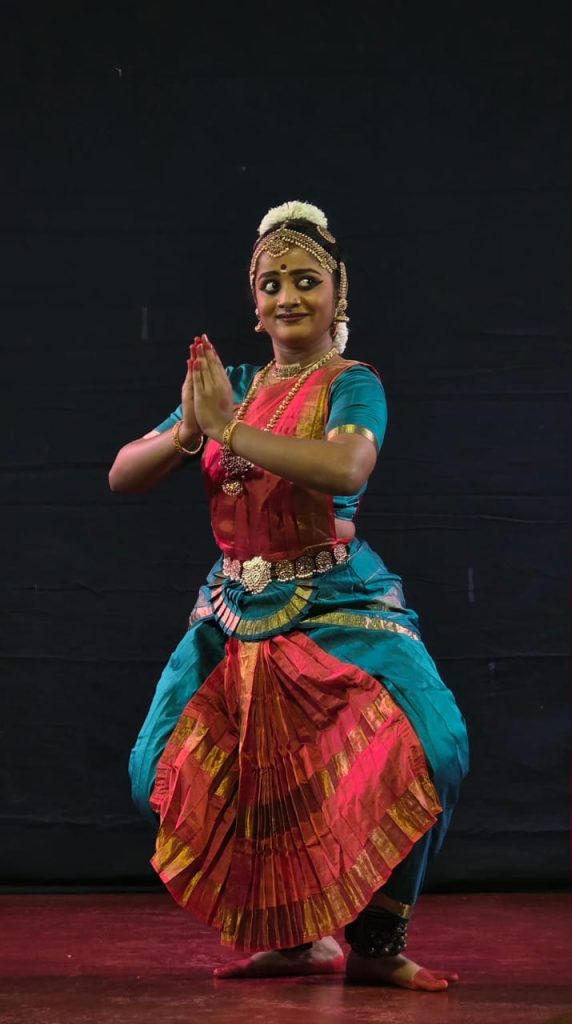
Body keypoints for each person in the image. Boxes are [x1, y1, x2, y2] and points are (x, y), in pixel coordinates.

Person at [109, 201, 469, 991]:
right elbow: (122, 472)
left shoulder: (352, 384)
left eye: (307, 280)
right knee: (159, 771)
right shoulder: (231, 387)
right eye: (271, 284)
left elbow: (346, 469)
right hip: (233, 610)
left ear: (339, 293)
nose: (288, 297)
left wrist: (229, 431)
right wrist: (189, 430)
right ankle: (300, 940)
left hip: (337, 598)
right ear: (255, 302)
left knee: (431, 748)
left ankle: (376, 944)